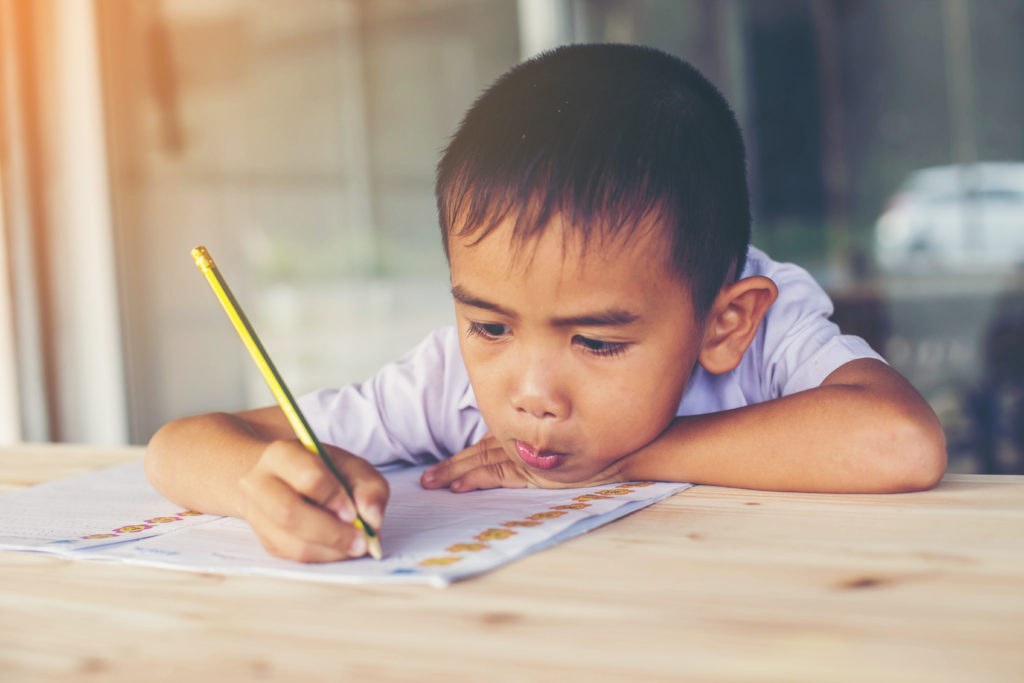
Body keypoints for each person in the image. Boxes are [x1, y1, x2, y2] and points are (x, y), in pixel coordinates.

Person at [145, 44, 946, 563]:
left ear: (723, 322)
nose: (529, 394)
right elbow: (175, 449)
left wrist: (624, 461)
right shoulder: (451, 382)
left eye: (596, 342)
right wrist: (264, 479)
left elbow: (897, 441)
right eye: (488, 323)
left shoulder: (766, 331)